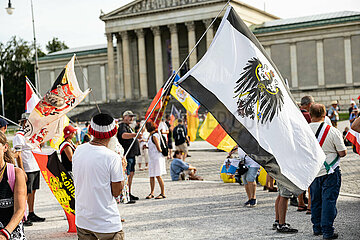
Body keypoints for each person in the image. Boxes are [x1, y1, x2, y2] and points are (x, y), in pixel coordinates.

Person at [73, 113, 125, 240]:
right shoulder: (112, 158)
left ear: (91, 131)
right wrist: (122, 169)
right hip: (106, 222)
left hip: (83, 220)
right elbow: (117, 192)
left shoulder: (78, 150)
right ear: (112, 133)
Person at [309, 104, 346, 239]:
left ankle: (317, 227)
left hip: (313, 172)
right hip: (330, 170)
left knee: (315, 200)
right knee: (328, 200)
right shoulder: (333, 131)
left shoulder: (303, 131)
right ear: (325, 114)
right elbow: (342, 153)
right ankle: (327, 231)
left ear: (310, 114)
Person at [13, 113, 45, 226]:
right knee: (25, 193)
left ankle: (31, 212)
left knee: (33, 191)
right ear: (25, 122)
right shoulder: (19, 136)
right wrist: (21, 170)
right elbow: (18, 154)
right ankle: (23, 215)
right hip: (27, 167)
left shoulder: (33, 135)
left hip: (36, 166)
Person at [0, 131, 27, 240]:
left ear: (5, 147)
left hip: (12, 232)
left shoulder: (16, 173)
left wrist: (5, 233)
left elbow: (20, 210)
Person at [117, 110, 141, 202]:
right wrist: (135, 135)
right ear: (124, 117)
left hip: (131, 154)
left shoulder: (128, 126)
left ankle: (129, 192)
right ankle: (125, 193)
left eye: (132, 117)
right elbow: (123, 135)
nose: (131, 118)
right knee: (127, 174)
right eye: (129, 116)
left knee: (131, 174)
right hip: (127, 154)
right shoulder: (122, 126)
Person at [145, 121, 166, 199]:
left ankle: (162, 193)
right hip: (153, 158)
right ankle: (152, 192)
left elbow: (158, 147)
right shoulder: (152, 136)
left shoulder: (154, 136)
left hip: (156, 158)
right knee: (152, 176)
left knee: (158, 175)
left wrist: (159, 150)